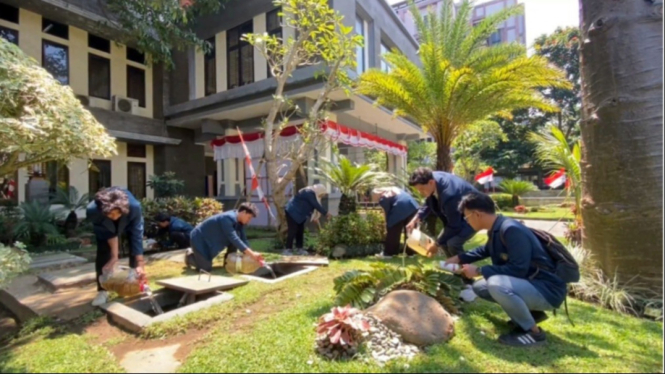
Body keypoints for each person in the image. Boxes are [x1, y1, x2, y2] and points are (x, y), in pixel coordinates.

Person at [444, 192, 567, 347]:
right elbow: (485, 250)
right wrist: (459, 258)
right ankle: (531, 315)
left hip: (547, 290)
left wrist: (479, 271)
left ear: (477, 214)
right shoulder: (498, 227)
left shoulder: (511, 230)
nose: (466, 222)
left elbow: (518, 269)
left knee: (496, 284)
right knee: (479, 287)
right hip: (532, 284)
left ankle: (534, 334)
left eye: (466, 217)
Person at [406, 167, 480, 301]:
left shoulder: (450, 194)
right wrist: (417, 217)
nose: (421, 193)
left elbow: (454, 225)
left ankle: (470, 282)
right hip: (460, 216)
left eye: (422, 189)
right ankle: (459, 277)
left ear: (431, 183)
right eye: (418, 190)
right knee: (447, 243)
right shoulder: (431, 178)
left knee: (453, 243)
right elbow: (429, 202)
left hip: (477, 215)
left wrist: (437, 243)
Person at [86, 187, 146, 307]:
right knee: (103, 252)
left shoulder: (134, 207)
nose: (114, 217)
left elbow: (136, 234)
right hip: (104, 223)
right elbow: (108, 234)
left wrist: (140, 262)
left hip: (128, 220)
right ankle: (102, 290)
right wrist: (114, 257)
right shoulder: (93, 211)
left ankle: (136, 281)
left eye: (116, 213)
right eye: (111, 214)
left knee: (135, 250)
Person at [186, 203, 263, 272]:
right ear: (243, 212)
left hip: (212, 239)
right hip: (200, 239)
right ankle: (189, 257)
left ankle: (228, 262)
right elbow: (233, 238)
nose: (249, 221)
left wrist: (251, 255)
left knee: (237, 237)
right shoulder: (227, 218)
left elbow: (243, 239)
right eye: (249, 217)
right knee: (206, 268)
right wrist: (252, 254)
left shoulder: (240, 222)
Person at [284, 184, 332, 256]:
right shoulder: (308, 193)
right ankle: (288, 249)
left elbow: (313, 205)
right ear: (319, 190)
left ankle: (299, 248)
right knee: (292, 230)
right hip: (292, 212)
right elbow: (315, 204)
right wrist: (326, 213)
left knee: (300, 230)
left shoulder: (312, 193)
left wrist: (315, 217)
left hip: (300, 214)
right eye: (321, 194)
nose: (321, 196)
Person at [373, 187, 419, 258]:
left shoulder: (384, 197)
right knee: (410, 230)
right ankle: (411, 253)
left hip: (399, 207)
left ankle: (388, 253)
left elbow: (387, 212)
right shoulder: (393, 188)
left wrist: (387, 224)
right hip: (412, 205)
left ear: (377, 194)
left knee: (393, 230)